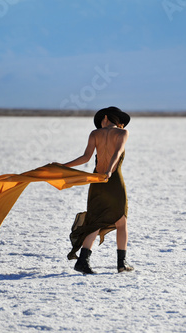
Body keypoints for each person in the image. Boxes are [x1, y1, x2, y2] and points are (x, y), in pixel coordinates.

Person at [62, 106, 133, 274]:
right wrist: (109, 171)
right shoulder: (123, 134)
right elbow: (118, 152)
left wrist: (64, 166)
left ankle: (82, 261)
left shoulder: (95, 134)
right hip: (114, 180)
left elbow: (85, 157)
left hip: (97, 181)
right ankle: (121, 263)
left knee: (95, 220)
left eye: (101, 120)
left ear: (106, 117)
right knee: (121, 221)